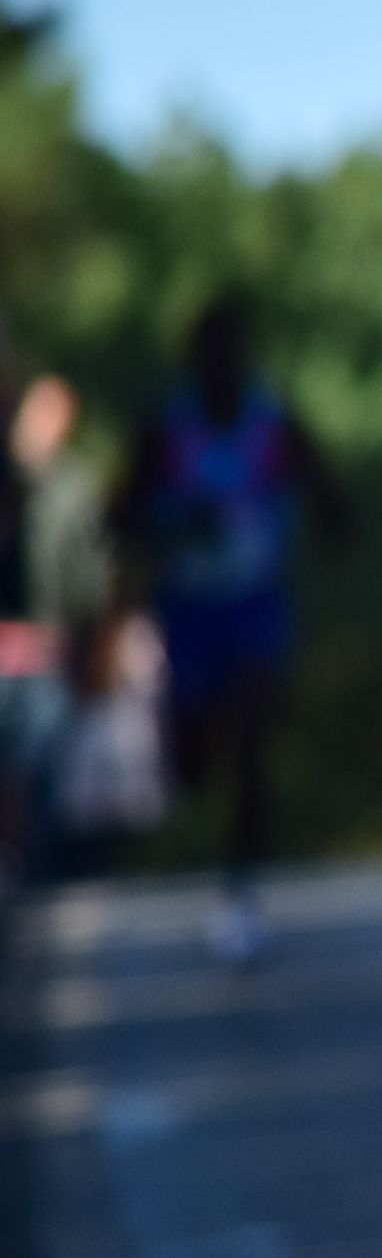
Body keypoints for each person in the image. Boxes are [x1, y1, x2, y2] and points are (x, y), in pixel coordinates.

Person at [111, 292, 345, 960]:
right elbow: (118, 516)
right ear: (195, 360)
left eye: (233, 352)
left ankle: (240, 891)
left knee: (251, 738)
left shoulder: (273, 422)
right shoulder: (166, 427)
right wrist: (174, 522)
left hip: (253, 605)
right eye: (212, 353)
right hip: (187, 609)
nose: (224, 365)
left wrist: (330, 519)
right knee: (191, 757)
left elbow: (328, 491)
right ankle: (183, 790)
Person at [2, 372, 113, 891]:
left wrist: (92, 655)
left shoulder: (73, 488)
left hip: (44, 656)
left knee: (36, 777)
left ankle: (31, 881)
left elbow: (90, 584)